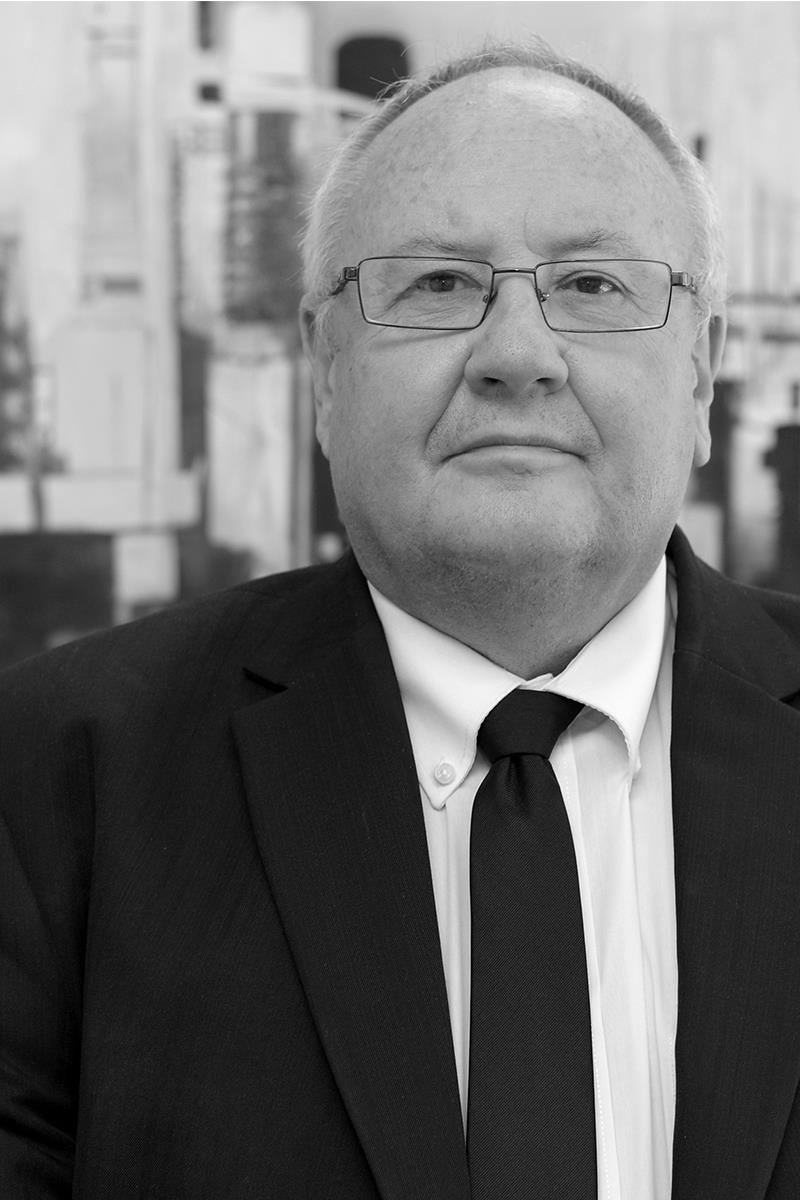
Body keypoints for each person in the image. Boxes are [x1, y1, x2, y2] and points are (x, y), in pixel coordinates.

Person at [2, 35, 800, 1200]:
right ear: (325, 368)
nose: (517, 356)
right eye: (435, 285)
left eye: (592, 286)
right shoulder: (54, 771)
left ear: (698, 370)